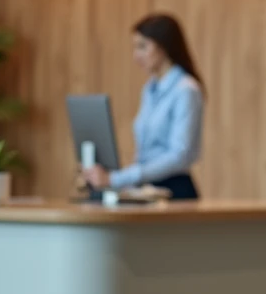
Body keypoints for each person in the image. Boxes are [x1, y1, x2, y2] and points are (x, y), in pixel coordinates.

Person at [81, 13, 205, 200]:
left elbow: (180, 155)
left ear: (163, 47)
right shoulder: (149, 90)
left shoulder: (186, 90)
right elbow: (144, 153)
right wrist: (125, 184)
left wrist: (117, 179)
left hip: (174, 191)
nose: (136, 56)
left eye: (142, 47)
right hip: (147, 189)